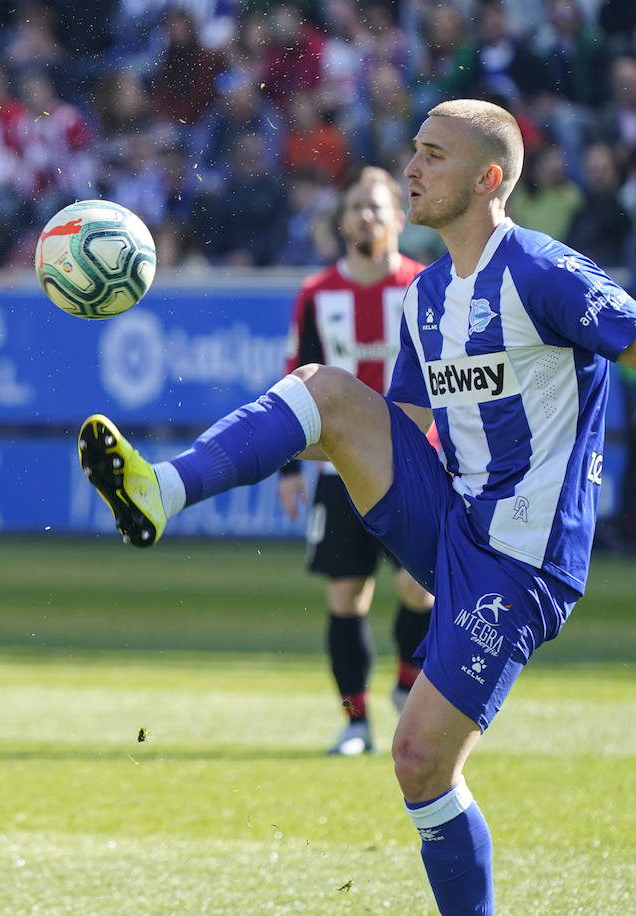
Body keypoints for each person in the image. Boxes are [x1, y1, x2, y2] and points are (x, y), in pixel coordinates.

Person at [78, 99, 636, 914]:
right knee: (324, 389)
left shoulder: (544, 272)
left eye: (433, 156)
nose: (411, 168)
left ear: (488, 178)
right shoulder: (430, 294)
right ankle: (161, 491)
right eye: (413, 150)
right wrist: (280, 436)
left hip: (523, 562)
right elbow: (395, 431)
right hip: (450, 519)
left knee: (419, 762)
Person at [277, 166, 434, 756]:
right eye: (357, 208)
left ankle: (405, 683)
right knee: (347, 597)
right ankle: (355, 721)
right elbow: (298, 381)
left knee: (421, 589)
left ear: (399, 217)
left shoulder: (424, 286)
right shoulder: (318, 294)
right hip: (338, 468)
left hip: (416, 463)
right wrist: (291, 466)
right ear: (342, 222)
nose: (367, 217)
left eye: (377, 207)